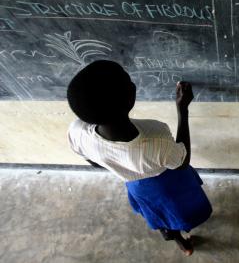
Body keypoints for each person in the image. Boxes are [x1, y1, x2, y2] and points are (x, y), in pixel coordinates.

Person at [66, 60, 211, 256]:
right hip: (169, 182)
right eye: (127, 79)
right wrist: (182, 110)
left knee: (159, 215)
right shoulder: (155, 137)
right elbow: (181, 162)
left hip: (138, 187)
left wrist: (120, 164)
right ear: (130, 98)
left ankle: (181, 244)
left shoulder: (77, 132)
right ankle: (183, 232)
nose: (132, 81)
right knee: (180, 209)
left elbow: (93, 162)